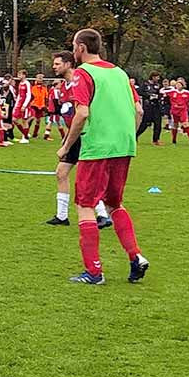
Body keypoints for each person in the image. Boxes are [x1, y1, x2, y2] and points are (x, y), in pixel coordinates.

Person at [58, 28, 148, 285]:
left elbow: (82, 113)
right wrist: (127, 136)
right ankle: (135, 256)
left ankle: (94, 272)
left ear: (81, 48)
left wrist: (66, 146)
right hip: (124, 147)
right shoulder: (120, 73)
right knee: (114, 204)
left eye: (74, 45)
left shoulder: (84, 73)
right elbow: (138, 111)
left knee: (85, 205)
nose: (74, 50)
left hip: (98, 148)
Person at [46, 51, 113, 229]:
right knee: (61, 173)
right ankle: (62, 216)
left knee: (87, 178)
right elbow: (71, 116)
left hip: (88, 135)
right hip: (75, 136)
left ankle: (102, 215)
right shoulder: (62, 87)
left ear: (68, 64)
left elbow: (85, 112)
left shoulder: (81, 80)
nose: (54, 67)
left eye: (57, 63)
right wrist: (67, 138)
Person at [161, 79, 189, 145]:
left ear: (182, 85)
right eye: (177, 85)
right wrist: (164, 89)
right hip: (174, 111)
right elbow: (162, 91)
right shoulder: (172, 91)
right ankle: (174, 140)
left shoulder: (186, 92)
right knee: (175, 125)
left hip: (183, 110)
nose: (178, 86)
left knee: (185, 124)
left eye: (179, 84)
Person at [136, 72, 165, 145]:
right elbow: (139, 91)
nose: (158, 79)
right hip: (148, 106)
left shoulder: (158, 85)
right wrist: (148, 96)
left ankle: (156, 140)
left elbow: (160, 94)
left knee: (158, 123)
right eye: (157, 77)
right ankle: (135, 136)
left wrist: (158, 96)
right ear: (153, 77)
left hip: (156, 106)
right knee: (145, 124)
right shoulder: (145, 84)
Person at [13, 70, 32, 142]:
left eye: (20, 74)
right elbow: (19, 95)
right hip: (19, 104)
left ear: (24, 75)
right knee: (14, 119)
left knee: (24, 121)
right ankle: (25, 134)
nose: (18, 76)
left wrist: (24, 105)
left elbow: (29, 95)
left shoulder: (27, 83)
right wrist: (16, 104)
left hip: (25, 104)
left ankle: (25, 138)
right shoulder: (20, 83)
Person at [30, 74, 50, 140]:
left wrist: (46, 106)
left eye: (41, 78)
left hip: (41, 106)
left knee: (38, 121)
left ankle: (35, 134)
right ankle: (26, 131)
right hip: (33, 105)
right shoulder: (33, 88)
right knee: (31, 118)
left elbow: (46, 97)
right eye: (39, 78)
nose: (40, 79)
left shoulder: (44, 88)